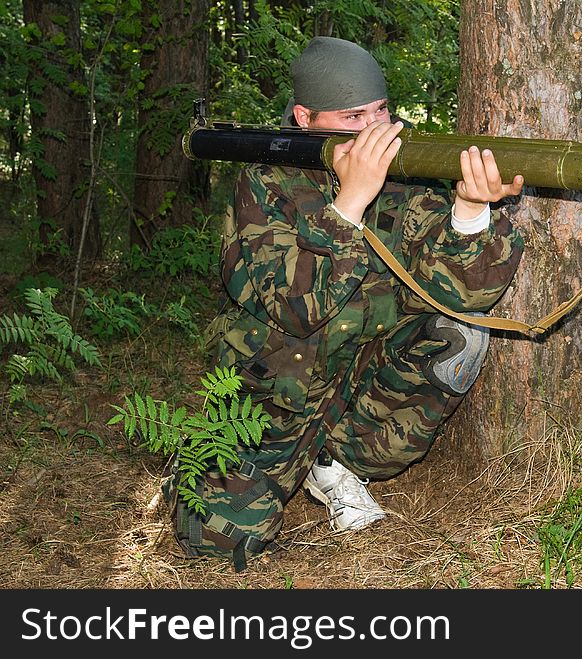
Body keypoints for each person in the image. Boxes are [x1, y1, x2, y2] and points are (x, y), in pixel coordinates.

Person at [168, 36, 525, 571]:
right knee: (216, 542)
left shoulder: (406, 172)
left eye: (381, 111)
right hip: (277, 394)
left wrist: (469, 209)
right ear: (306, 117)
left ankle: (335, 462)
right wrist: (350, 201)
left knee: (462, 333)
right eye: (354, 115)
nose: (375, 129)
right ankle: (208, 463)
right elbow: (292, 307)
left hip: (364, 379)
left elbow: (464, 292)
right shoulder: (264, 182)